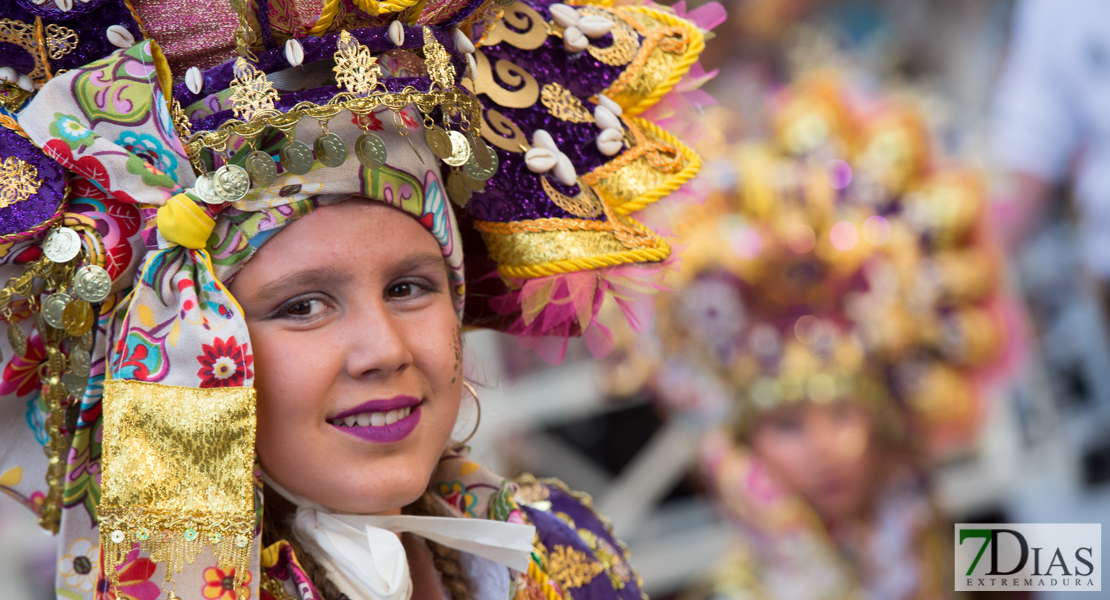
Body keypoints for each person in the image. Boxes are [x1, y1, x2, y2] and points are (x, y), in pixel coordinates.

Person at [0, 0, 718, 597]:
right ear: (174, 350)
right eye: (301, 306)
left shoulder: (558, 558)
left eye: (410, 288)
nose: (385, 351)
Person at [605, 74, 1007, 600]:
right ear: (739, 446)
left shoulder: (980, 551)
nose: (826, 449)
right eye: (788, 425)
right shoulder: (727, 594)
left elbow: (1088, 569)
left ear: (885, 414)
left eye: (843, 413)